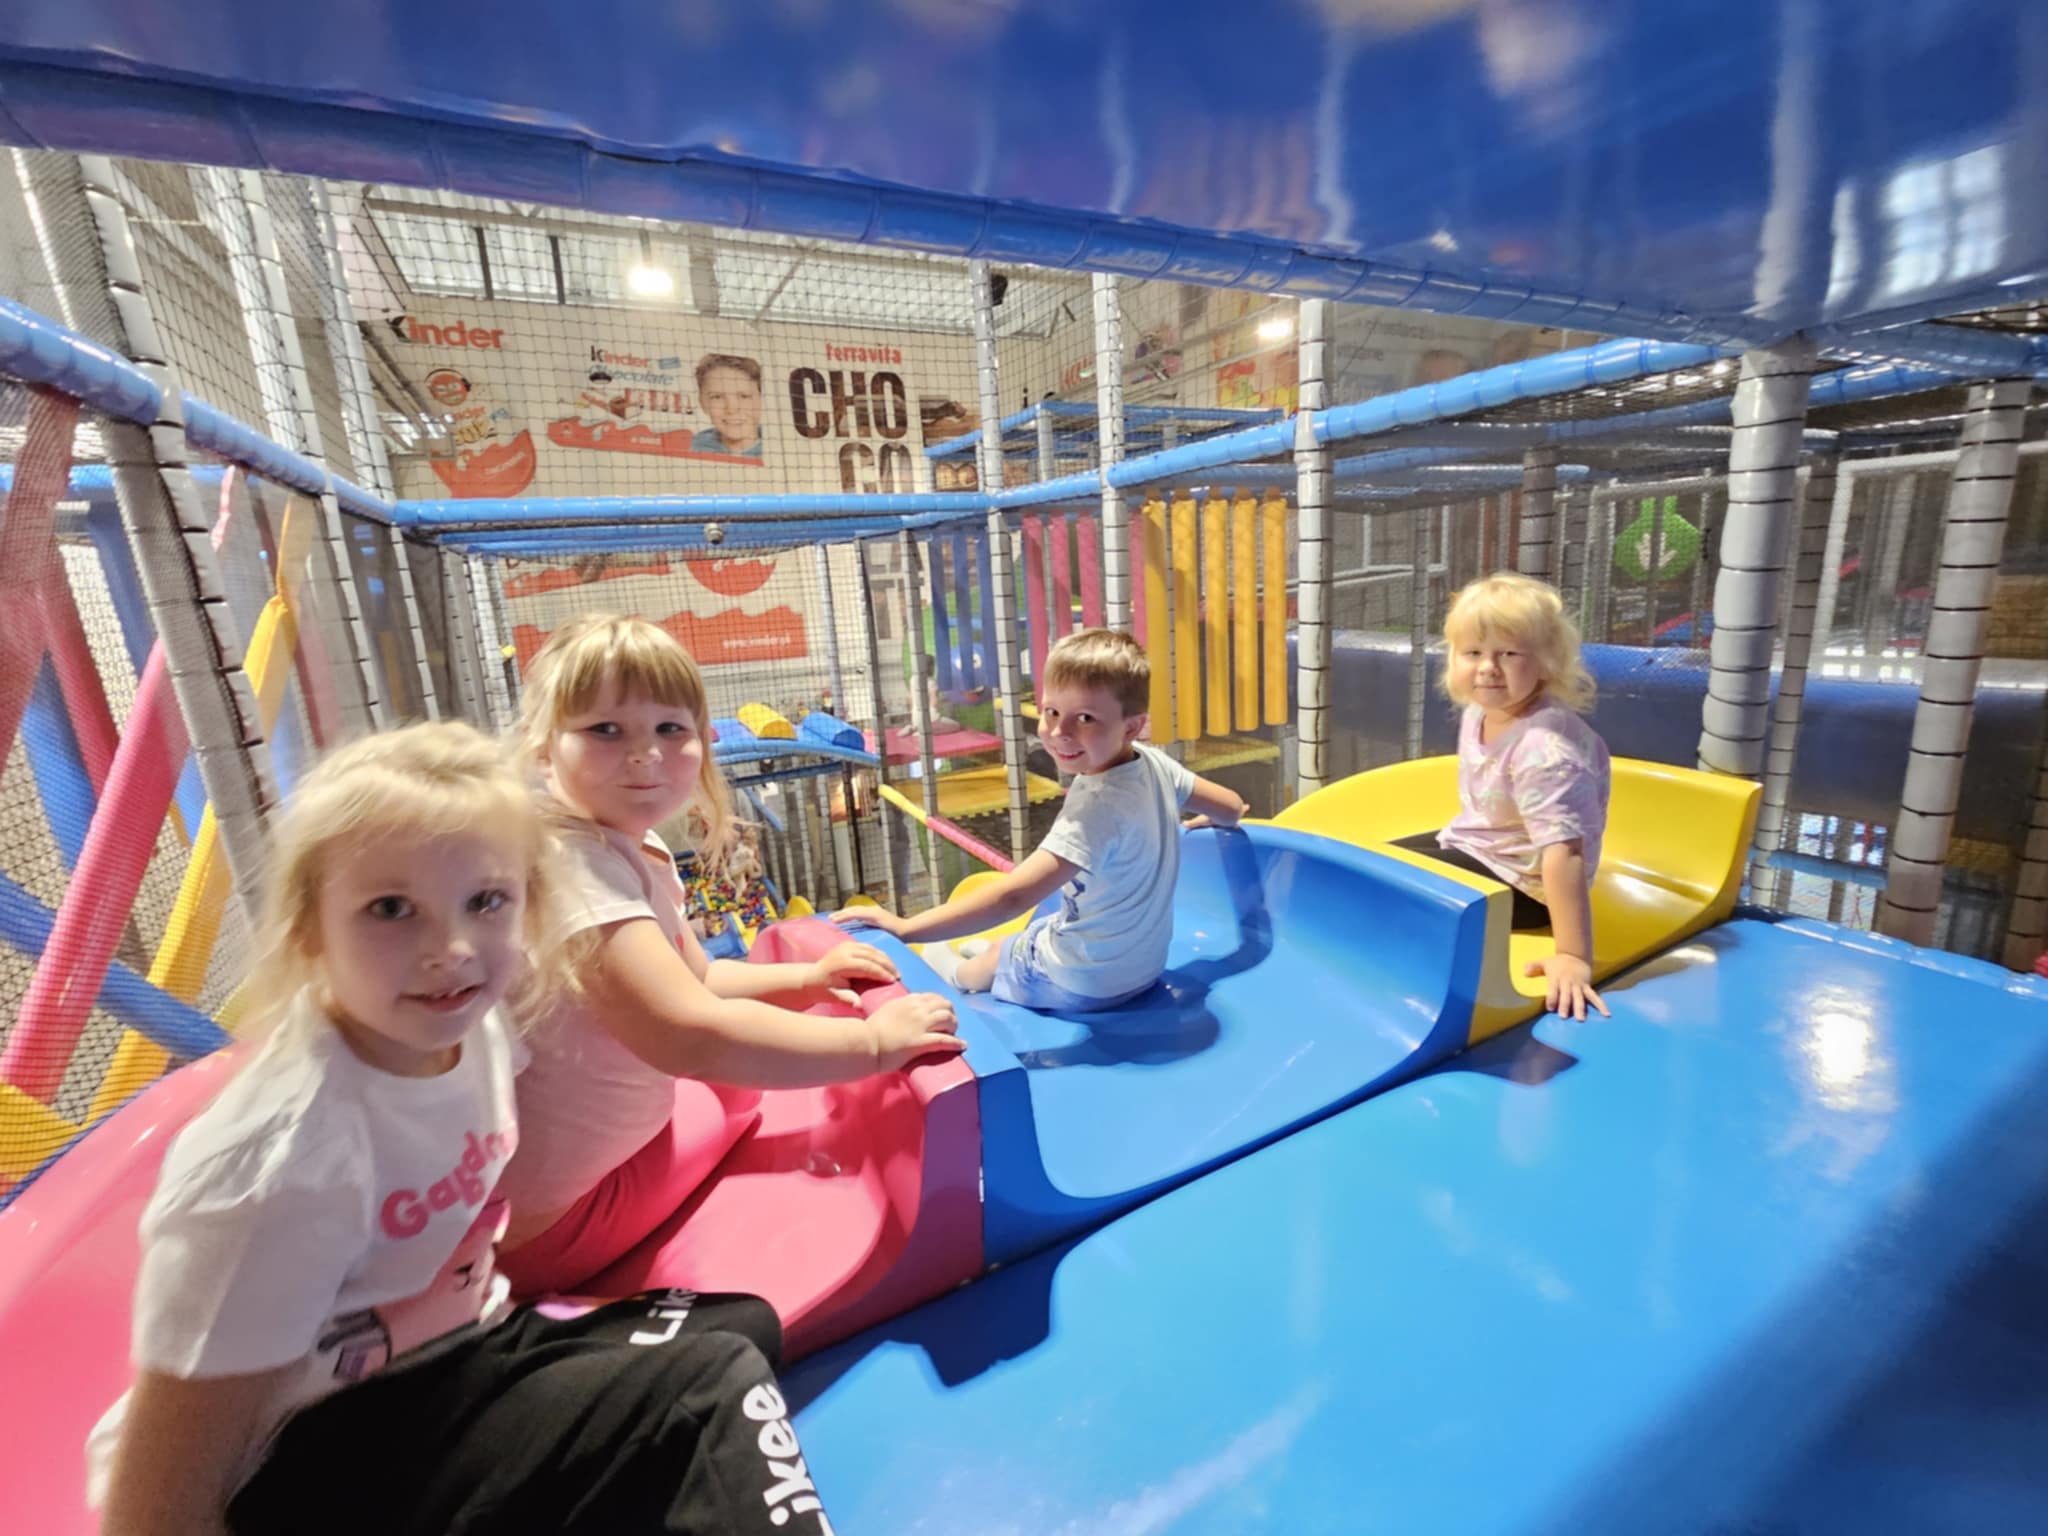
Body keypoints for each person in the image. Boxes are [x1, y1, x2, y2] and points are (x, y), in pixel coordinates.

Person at [92, 721, 832, 1536]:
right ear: (309, 927)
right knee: (711, 1384)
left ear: (529, 908)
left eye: (485, 902)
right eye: (390, 909)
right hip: (310, 1460)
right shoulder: (281, 1164)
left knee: (741, 1324)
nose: (450, 949)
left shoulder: (475, 1029)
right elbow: (155, 1500)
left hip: (456, 1351)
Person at [495, 614, 959, 1295]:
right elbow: (691, 1034)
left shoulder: (627, 842)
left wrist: (807, 977)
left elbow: (702, 976)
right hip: (559, 1226)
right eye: (606, 730)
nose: (645, 754)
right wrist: (873, 1046)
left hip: (560, 1198)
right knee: (739, 1089)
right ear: (543, 749)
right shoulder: (576, 873)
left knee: (740, 1075)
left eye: (669, 728)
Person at [837, 628, 1247, 1011]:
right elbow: (1230, 806)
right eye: (1051, 711)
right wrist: (1217, 821)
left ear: (1132, 727)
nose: (1059, 732)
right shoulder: (1156, 763)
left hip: (1085, 983)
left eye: (1085, 718)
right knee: (1037, 931)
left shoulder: (1096, 807)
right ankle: (1003, 954)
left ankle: (963, 975)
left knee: (999, 954)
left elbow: (1012, 898)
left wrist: (906, 928)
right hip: (1143, 969)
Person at [1398, 572, 1613, 1021]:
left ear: (1547, 662)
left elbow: (1565, 852)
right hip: (1484, 846)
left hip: (1527, 887)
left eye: (1509, 654)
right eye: (1473, 653)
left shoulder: (1544, 750)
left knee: (1389, 893)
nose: (1487, 668)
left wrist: (1572, 954)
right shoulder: (1481, 710)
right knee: (1372, 862)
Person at [690, 353, 764, 459]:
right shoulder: (695, 445)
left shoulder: (775, 444)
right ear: (702, 403)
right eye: (717, 397)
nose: (732, 409)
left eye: (744, 396)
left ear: (762, 399)